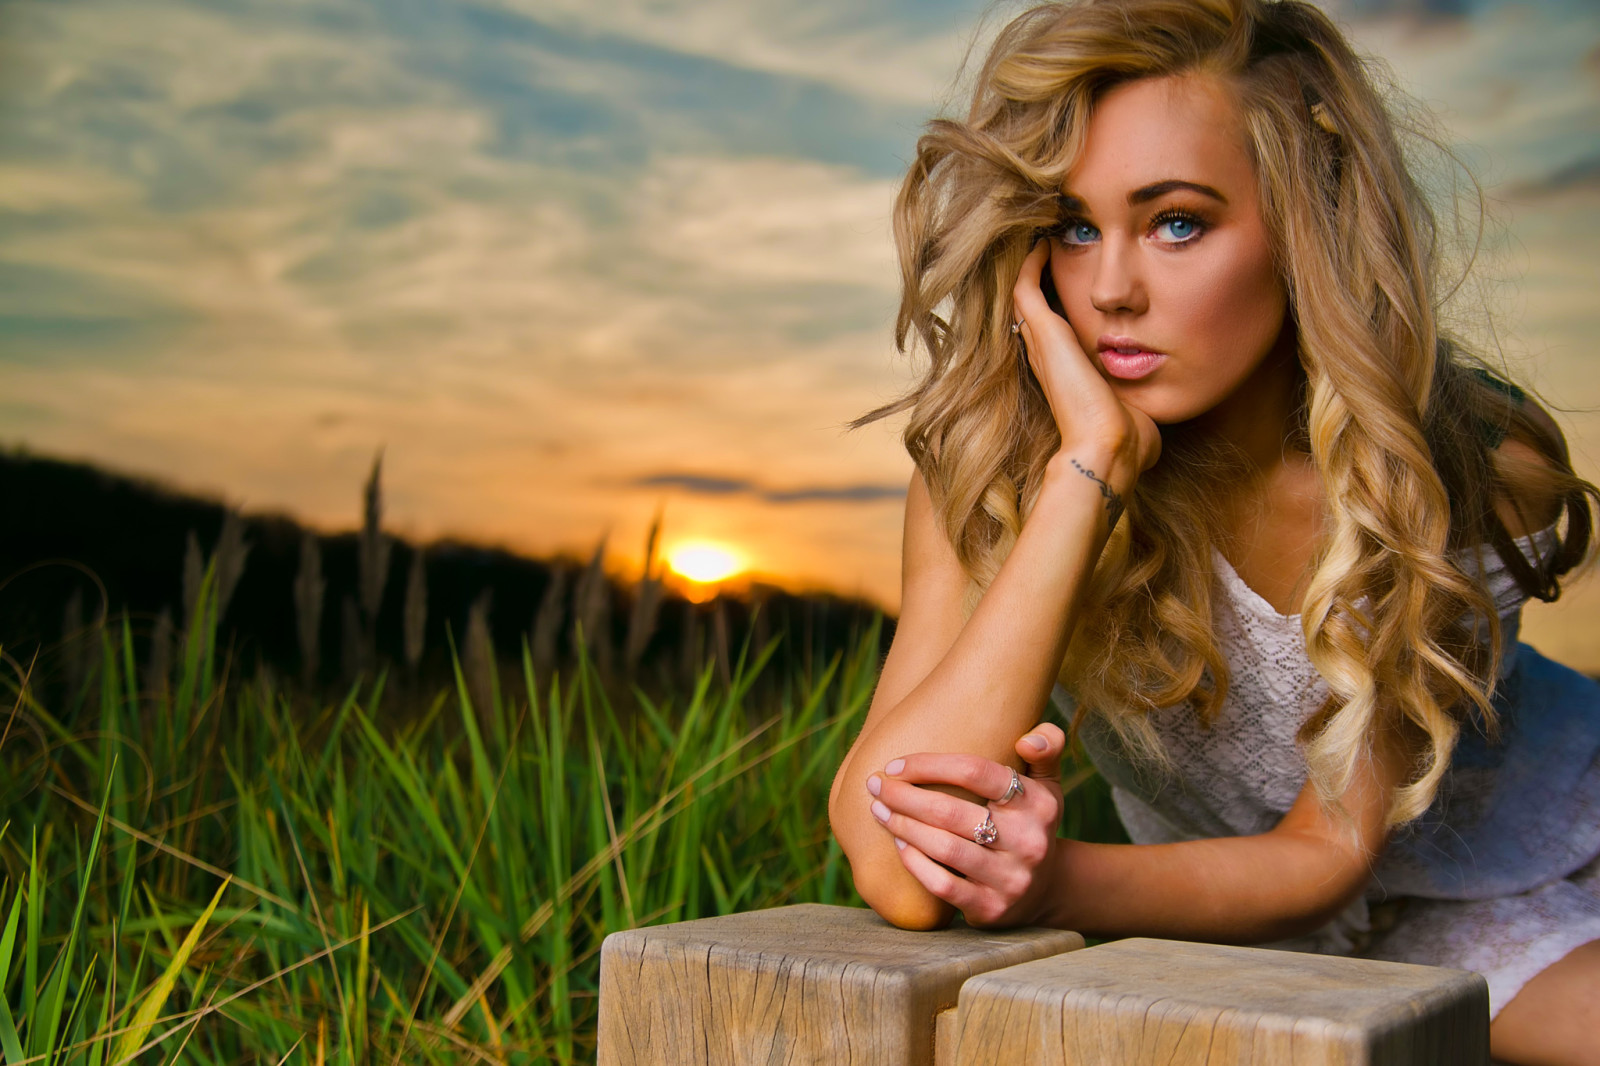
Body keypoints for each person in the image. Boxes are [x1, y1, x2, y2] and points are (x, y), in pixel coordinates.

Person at [826, 1, 1600, 1062]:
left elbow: (1326, 852)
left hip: (1528, 876)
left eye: (1177, 221)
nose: (1109, 289)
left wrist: (1056, 881)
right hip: (1217, 917)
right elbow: (895, 865)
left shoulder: (1440, 472)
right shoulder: (990, 478)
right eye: (1072, 225)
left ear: (1302, 224)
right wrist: (1083, 476)